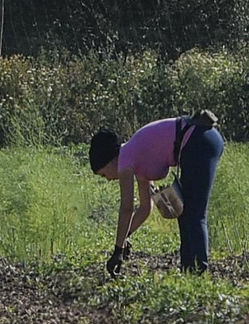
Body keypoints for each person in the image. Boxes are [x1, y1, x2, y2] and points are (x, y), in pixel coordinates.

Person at [89, 112, 224, 276]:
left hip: (199, 141)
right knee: (184, 212)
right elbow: (145, 208)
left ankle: (199, 272)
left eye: (104, 174)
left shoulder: (125, 159)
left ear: (110, 161)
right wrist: (125, 237)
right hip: (198, 142)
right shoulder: (134, 157)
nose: (108, 179)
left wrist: (117, 251)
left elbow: (127, 208)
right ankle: (189, 272)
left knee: (195, 214)